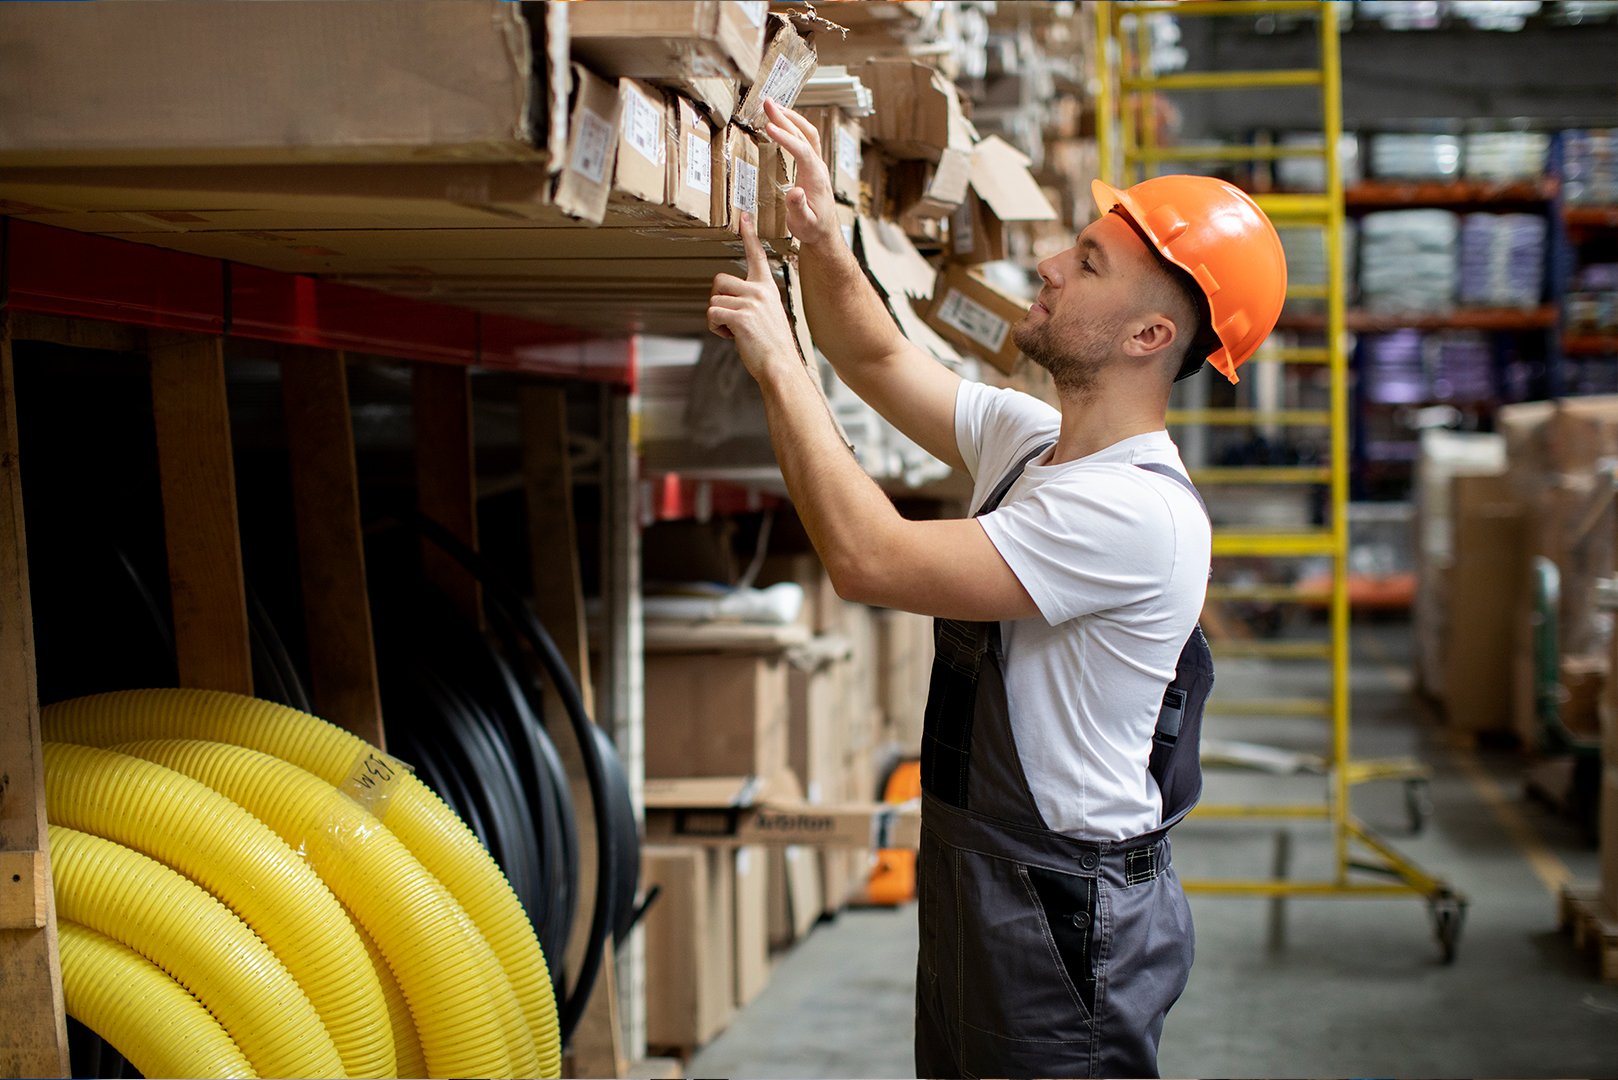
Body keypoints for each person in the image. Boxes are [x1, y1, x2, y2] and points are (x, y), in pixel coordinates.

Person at [708, 97, 1287, 1079]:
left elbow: (870, 559)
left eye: (1089, 263)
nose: (1051, 265)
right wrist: (818, 232)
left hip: (1062, 916)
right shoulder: (1035, 445)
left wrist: (776, 360)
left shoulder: (1132, 514)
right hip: (989, 882)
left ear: (1149, 335)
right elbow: (880, 357)